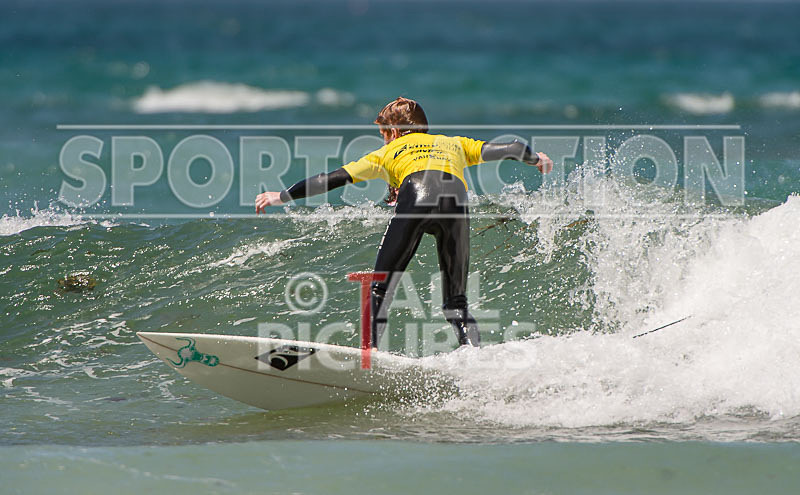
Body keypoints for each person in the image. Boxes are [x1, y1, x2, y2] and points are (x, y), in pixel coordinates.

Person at [256, 97, 552, 348]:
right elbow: (512, 147)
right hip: (455, 202)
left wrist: (281, 196)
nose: (383, 140)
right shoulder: (453, 144)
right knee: (456, 303)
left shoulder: (386, 153)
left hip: (417, 194)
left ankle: (368, 357)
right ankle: (474, 355)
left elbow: (330, 179)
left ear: (394, 132)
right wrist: (536, 158)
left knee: (379, 288)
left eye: (383, 134)